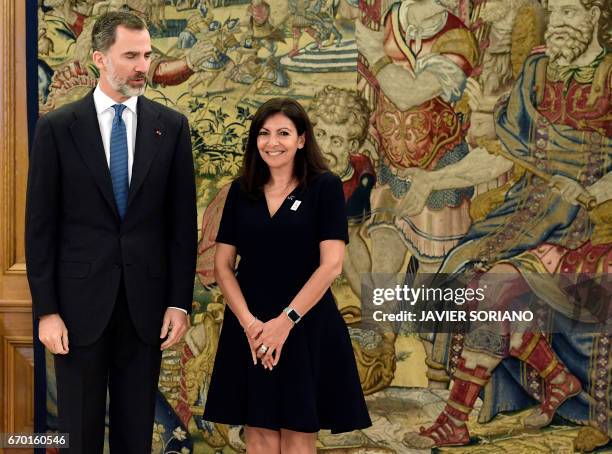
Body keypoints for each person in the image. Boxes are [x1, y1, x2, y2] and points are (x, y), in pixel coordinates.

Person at [402, 0, 611, 447]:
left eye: (570, 12)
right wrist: (435, 178)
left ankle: (457, 419)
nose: (558, 24)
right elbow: (503, 153)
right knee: (465, 274)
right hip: (528, 213)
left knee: (489, 288)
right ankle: (553, 380)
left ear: (595, 16)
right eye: (554, 14)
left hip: (589, 223)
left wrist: (595, 191)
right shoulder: (537, 70)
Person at [25, 12, 197, 453]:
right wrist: (46, 311)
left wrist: (179, 302)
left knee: (134, 435)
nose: (143, 66)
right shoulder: (58, 128)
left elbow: (180, 226)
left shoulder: (171, 127)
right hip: (77, 312)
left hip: (146, 310)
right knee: (77, 436)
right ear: (100, 58)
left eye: (147, 55)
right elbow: (40, 229)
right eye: (131, 56)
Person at [203, 98, 371, 453]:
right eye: (264, 133)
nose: (272, 142)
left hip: (306, 324)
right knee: (259, 434)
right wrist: (251, 325)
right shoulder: (240, 191)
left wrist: (285, 321)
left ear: (301, 139)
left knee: (297, 435)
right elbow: (222, 266)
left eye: (283, 133)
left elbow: (332, 265)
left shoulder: (324, 187)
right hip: (250, 326)